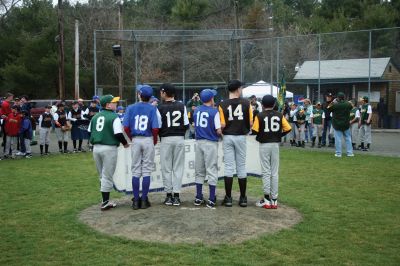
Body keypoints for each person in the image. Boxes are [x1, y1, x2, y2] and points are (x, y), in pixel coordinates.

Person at [88, 95, 129, 211]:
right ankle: (105, 202)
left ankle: (104, 200)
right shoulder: (113, 116)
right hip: (109, 148)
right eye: (114, 102)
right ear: (107, 105)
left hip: (96, 148)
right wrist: (125, 143)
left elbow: (89, 132)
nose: (116, 104)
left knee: (102, 174)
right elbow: (118, 134)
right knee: (107, 175)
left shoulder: (95, 116)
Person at [123, 85, 160, 210]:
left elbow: (126, 127)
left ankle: (135, 201)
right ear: (150, 97)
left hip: (136, 139)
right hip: (148, 138)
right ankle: (144, 200)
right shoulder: (152, 108)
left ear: (139, 94)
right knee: (147, 170)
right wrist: (154, 140)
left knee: (136, 170)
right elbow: (155, 128)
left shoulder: (130, 107)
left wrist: (131, 137)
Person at [252, 95, 291, 209]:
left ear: (262, 105)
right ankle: (274, 200)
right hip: (275, 144)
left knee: (266, 172)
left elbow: (254, 131)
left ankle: (266, 200)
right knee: (274, 172)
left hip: (264, 144)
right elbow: (288, 128)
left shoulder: (259, 115)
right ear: (274, 104)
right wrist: (278, 135)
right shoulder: (279, 115)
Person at [218, 80, 253, 207]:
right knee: (241, 167)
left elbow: (222, 124)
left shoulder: (222, 104)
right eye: (241, 87)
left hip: (228, 136)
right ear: (238, 89)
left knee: (228, 167)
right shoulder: (246, 103)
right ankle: (243, 198)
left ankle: (228, 198)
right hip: (241, 136)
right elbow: (250, 123)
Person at [158, 83, 190, 206]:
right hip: (179, 138)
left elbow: (158, 126)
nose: (161, 94)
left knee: (166, 168)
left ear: (165, 93)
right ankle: (176, 196)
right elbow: (187, 125)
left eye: (161, 92)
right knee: (178, 167)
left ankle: (168, 196)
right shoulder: (182, 106)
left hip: (166, 138)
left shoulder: (160, 107)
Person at [193, 89, 222, 209]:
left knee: (199, 171)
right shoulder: (214, 111)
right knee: (211, 170)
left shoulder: (196, 110)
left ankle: (198, 197)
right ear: (211, 99)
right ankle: (211, 198)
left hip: (199, 142)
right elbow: (218, 130)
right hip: (210, 142)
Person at [327, 92, 354, 157]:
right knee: (348, 138)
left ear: (337, 98)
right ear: (344, 97)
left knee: (338, 139)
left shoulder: (335, 104)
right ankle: (350, 153)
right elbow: (351, 106)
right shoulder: (347, 104)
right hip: (346, 124)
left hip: (337, 124)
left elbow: (328, 108)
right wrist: (346, 101)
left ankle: (338, 153)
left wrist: (333, 102)